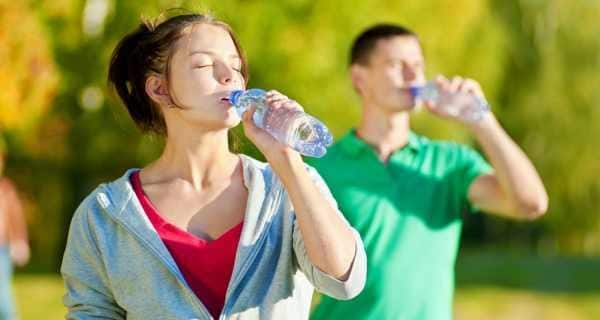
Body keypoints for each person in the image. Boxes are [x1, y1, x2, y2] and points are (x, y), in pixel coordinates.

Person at [60, 11, 366, 320]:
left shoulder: (286, 186)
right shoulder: (105, 215)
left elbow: (343, 280)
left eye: (235, 66)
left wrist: (288, 161)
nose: (229, 75)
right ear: (158, 89)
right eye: (205, 64)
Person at [309, 24, 548, 319]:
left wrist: (481, 119)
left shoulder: (449, 163)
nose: (413, 76)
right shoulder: (321, 167)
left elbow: (530, 203)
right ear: (360, 78)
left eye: (418, 66)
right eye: (397, 65)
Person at [0, 150, 30, 320]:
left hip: (1, 249)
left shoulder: (5, 189)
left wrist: (20, 242)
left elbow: (16, 217)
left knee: (2, 292)